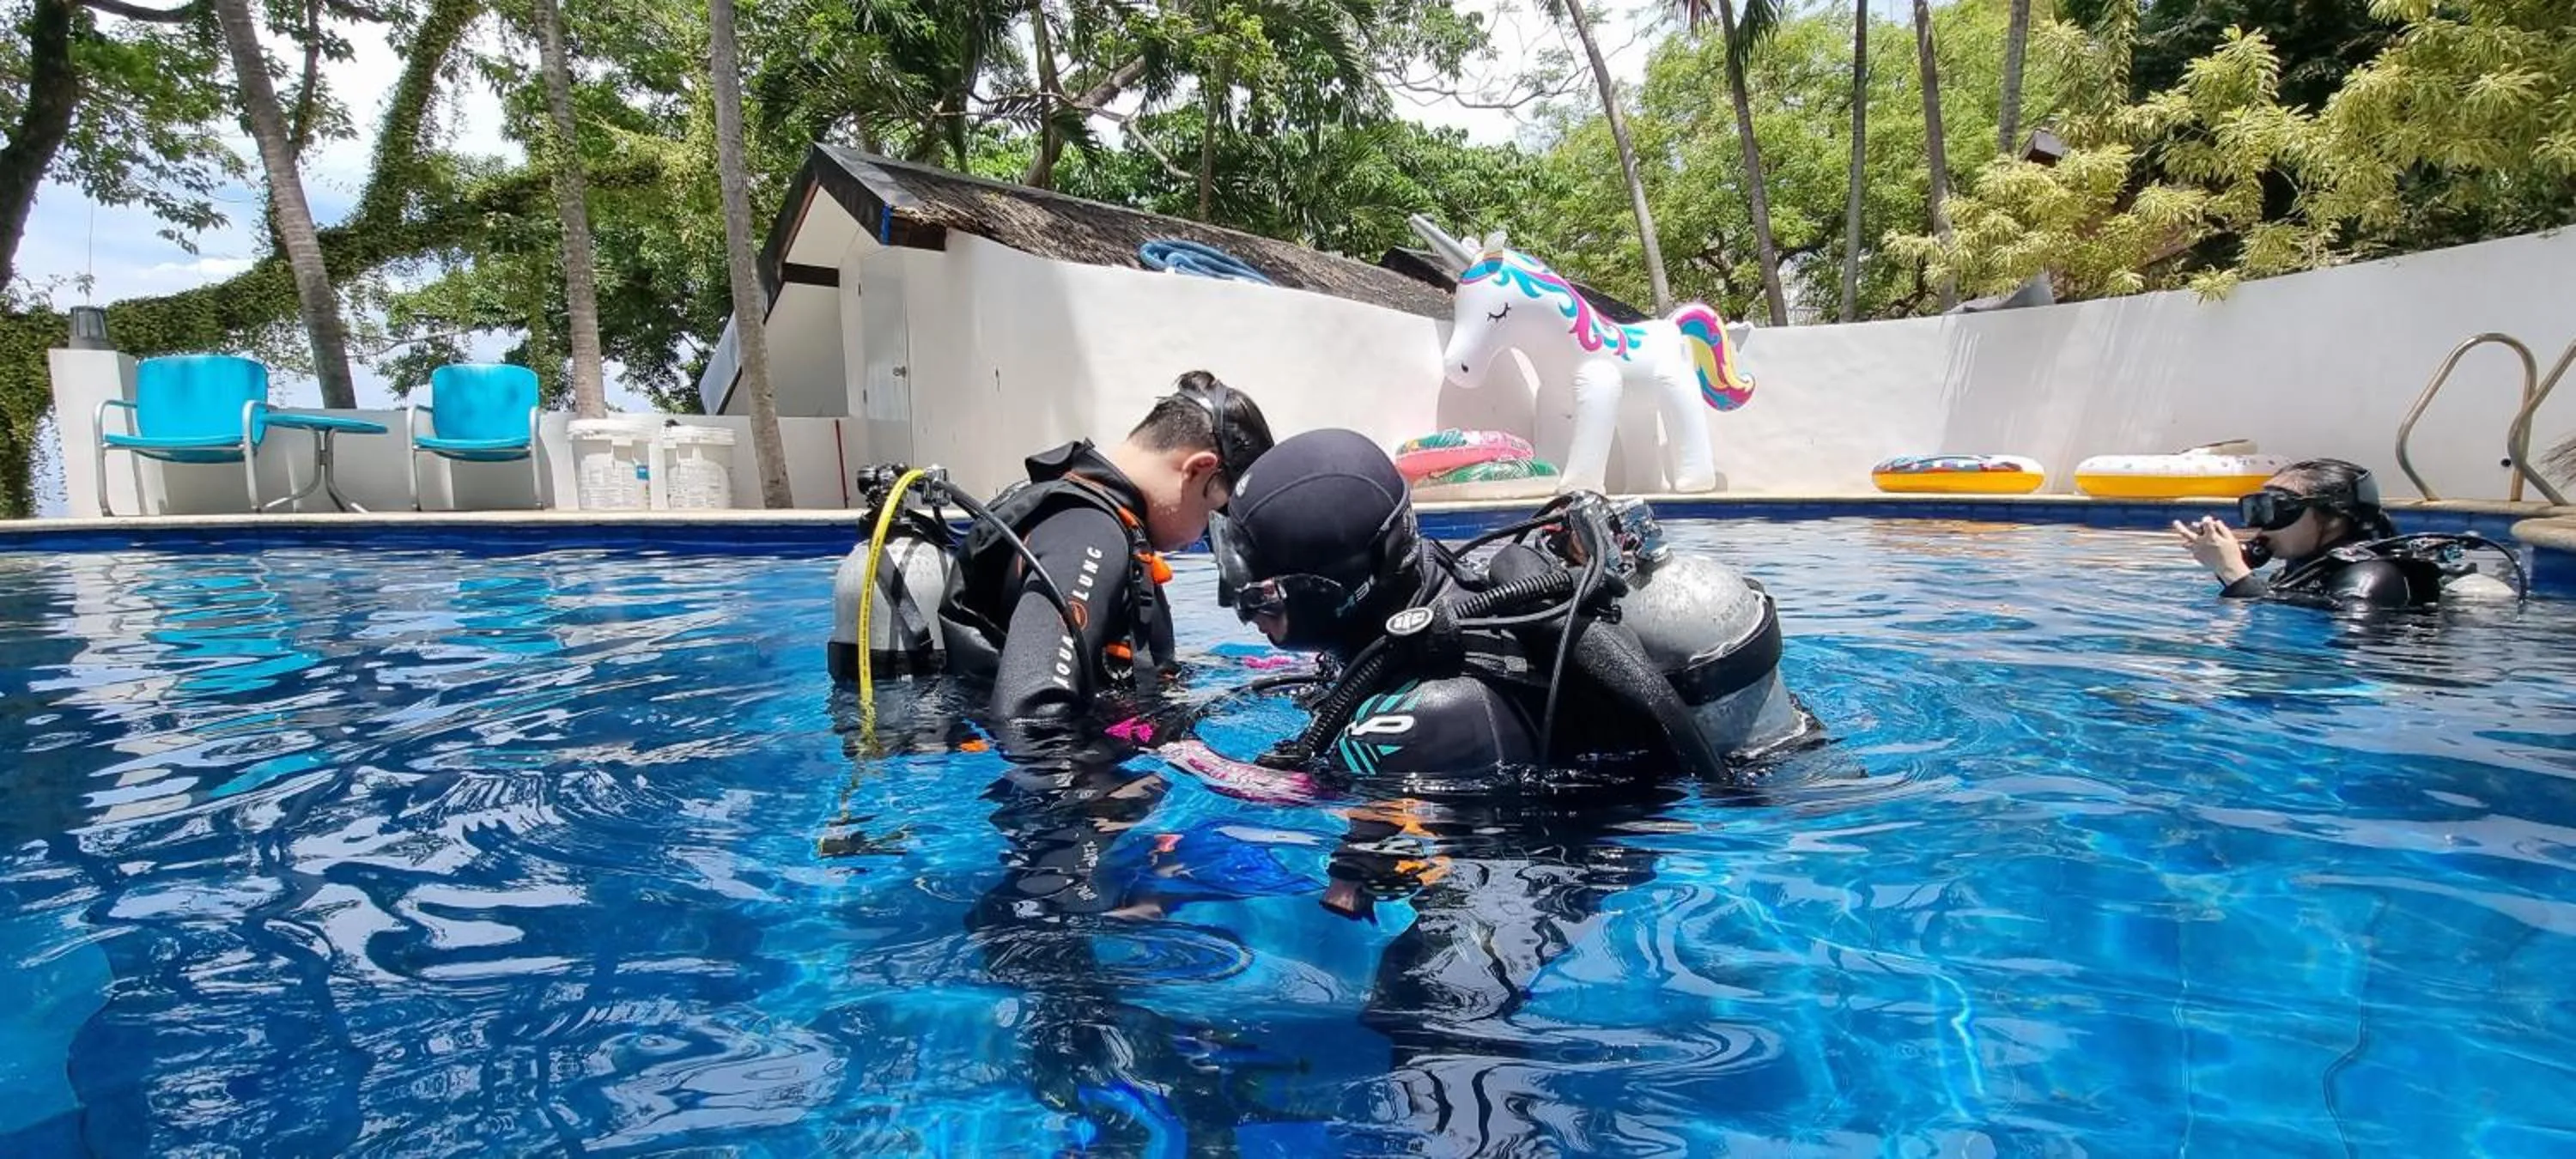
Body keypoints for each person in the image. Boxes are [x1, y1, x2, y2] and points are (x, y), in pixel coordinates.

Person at [1206, 428, 1812, 783]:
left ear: (1347, 590)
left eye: (1260, 596)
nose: (1244, 612)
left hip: (1584, 854)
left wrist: (1188, 759)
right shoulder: (1429, 576)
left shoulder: (1422, 720)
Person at [935, 372, 1274, 738]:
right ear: (1197, 469)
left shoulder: (1094, 517)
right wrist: (1122, 792)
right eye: (1215, 512)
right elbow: (1032, 717)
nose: (1200, 536)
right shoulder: (1091, 533)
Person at [2172, 458, 2522, 609]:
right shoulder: (2301, 570)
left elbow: (2346, 658)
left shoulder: (2371, 576)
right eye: (2257, 510)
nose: (2261, 525)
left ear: (2335, 519)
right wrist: (2230, 572)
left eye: (2278, 510)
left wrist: (2236, 573)